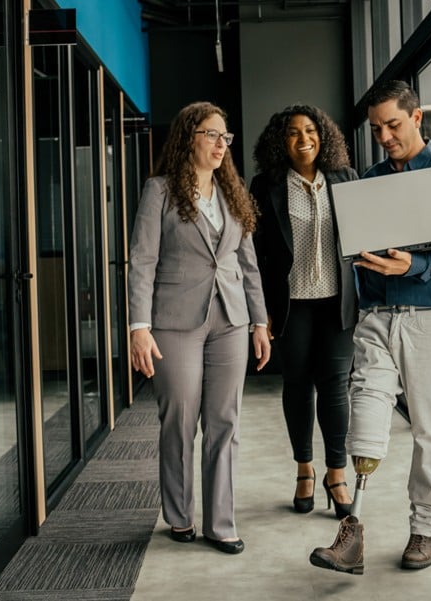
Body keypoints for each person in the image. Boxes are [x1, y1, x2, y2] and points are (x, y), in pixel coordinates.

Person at [309, 80, 431, 574]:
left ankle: (424, 529)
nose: (384, 135)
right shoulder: (373, 179)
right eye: (377, 128)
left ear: (417, 117)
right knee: (365, 418)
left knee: (429, 429)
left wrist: (414, 266)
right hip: (377, 317)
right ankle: (352, 533)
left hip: (429, 316)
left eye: (393, 125)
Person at [127, 101, 272, 555]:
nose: (220, 145)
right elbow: (142, 260)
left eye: (225, 138)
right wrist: (139, 326)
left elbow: (247, 264)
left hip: (231, 319)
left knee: (224, 421)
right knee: (180, 419)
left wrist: (261, 321)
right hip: (174, 320)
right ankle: (179, 515)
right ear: (189, 137)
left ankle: (221, 523)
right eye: (211, 134)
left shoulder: (233, 193)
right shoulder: (161, 191)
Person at [249, 104, 358, 518]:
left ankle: (336, 472)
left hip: (336, 302)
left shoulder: (346, 179)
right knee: (297, 385)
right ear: (282, 141)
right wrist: (261, 308)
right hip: (290, 304)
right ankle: (304, 469)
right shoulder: (266, 185)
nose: (303, 139)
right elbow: (255, 252)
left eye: (310, 131)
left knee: (335, 386)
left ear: (323, 136)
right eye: (293, 133)